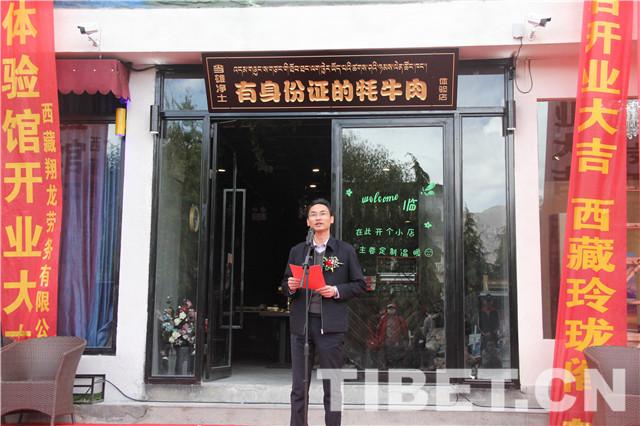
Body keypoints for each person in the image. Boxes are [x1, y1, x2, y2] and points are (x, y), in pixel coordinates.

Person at [283, 198, 366, 426]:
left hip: (331, 328)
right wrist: (290, 286)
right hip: (302, 326)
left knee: (332, 387)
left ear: (331, 219)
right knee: (299, 388)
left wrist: (336, 290)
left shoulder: (345, 251)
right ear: (308, 221)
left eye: (322, 213)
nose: (318, 217)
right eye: (313, 214)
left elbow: (360, 284)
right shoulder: (298, 251)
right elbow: (285, 284)